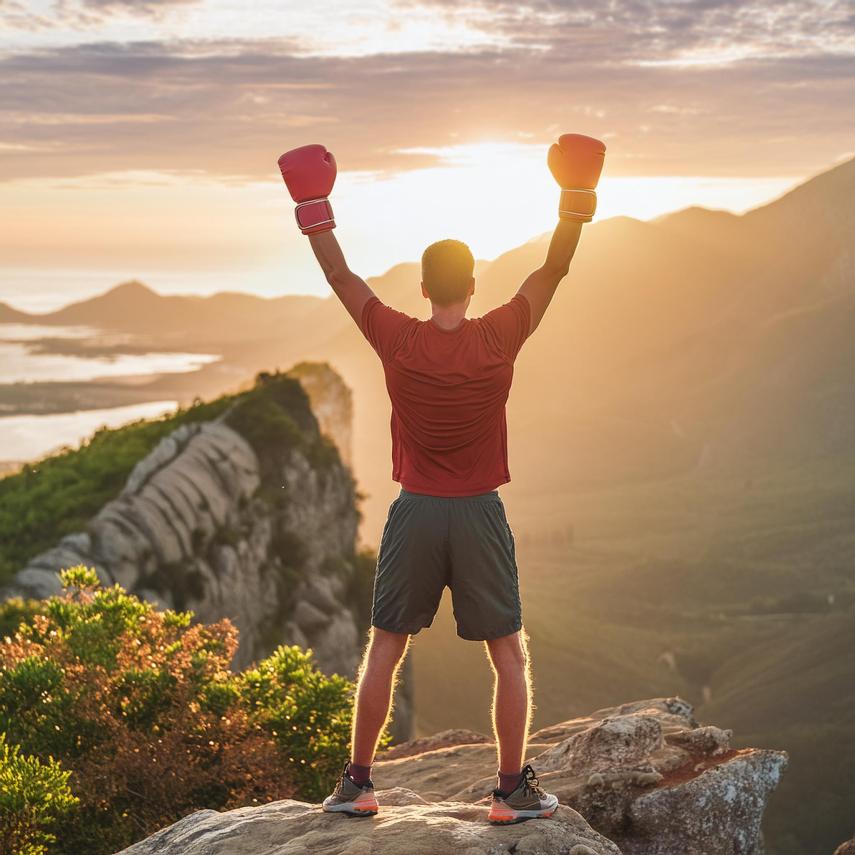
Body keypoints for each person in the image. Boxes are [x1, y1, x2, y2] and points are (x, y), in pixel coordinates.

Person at [277, 134, 606, 824]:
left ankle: (356, 784)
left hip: (415, 511)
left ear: (424, 290)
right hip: (479, 512)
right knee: (508, 655)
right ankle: (510, 791)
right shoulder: (498, 336)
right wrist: (573, 197)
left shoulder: (398, 339)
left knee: (385, 648)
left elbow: (341, 279)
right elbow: (552, 269)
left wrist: (313, 204)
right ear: (473, 287)